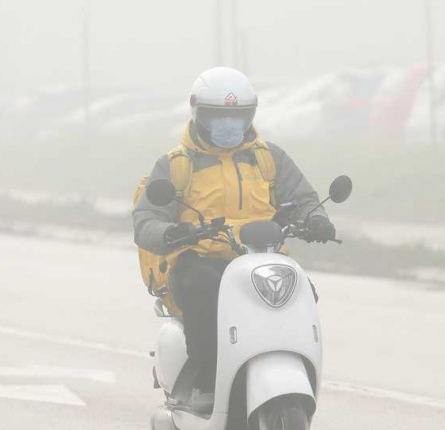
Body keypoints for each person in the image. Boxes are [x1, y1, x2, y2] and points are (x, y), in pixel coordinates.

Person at [133, 67, 336, 410]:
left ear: (250, 114)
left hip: (263, 256)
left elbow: (303, 199)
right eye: (218, 116)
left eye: (237, 115)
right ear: (198, 113)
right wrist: (171, 232)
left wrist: (316, 220)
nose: (228, 123)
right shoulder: (176, 164)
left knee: (303, 293)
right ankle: (205, 385)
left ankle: (296, 371)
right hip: (201, 259)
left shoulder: (269, 157)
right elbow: (146, 219)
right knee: (204, 295)